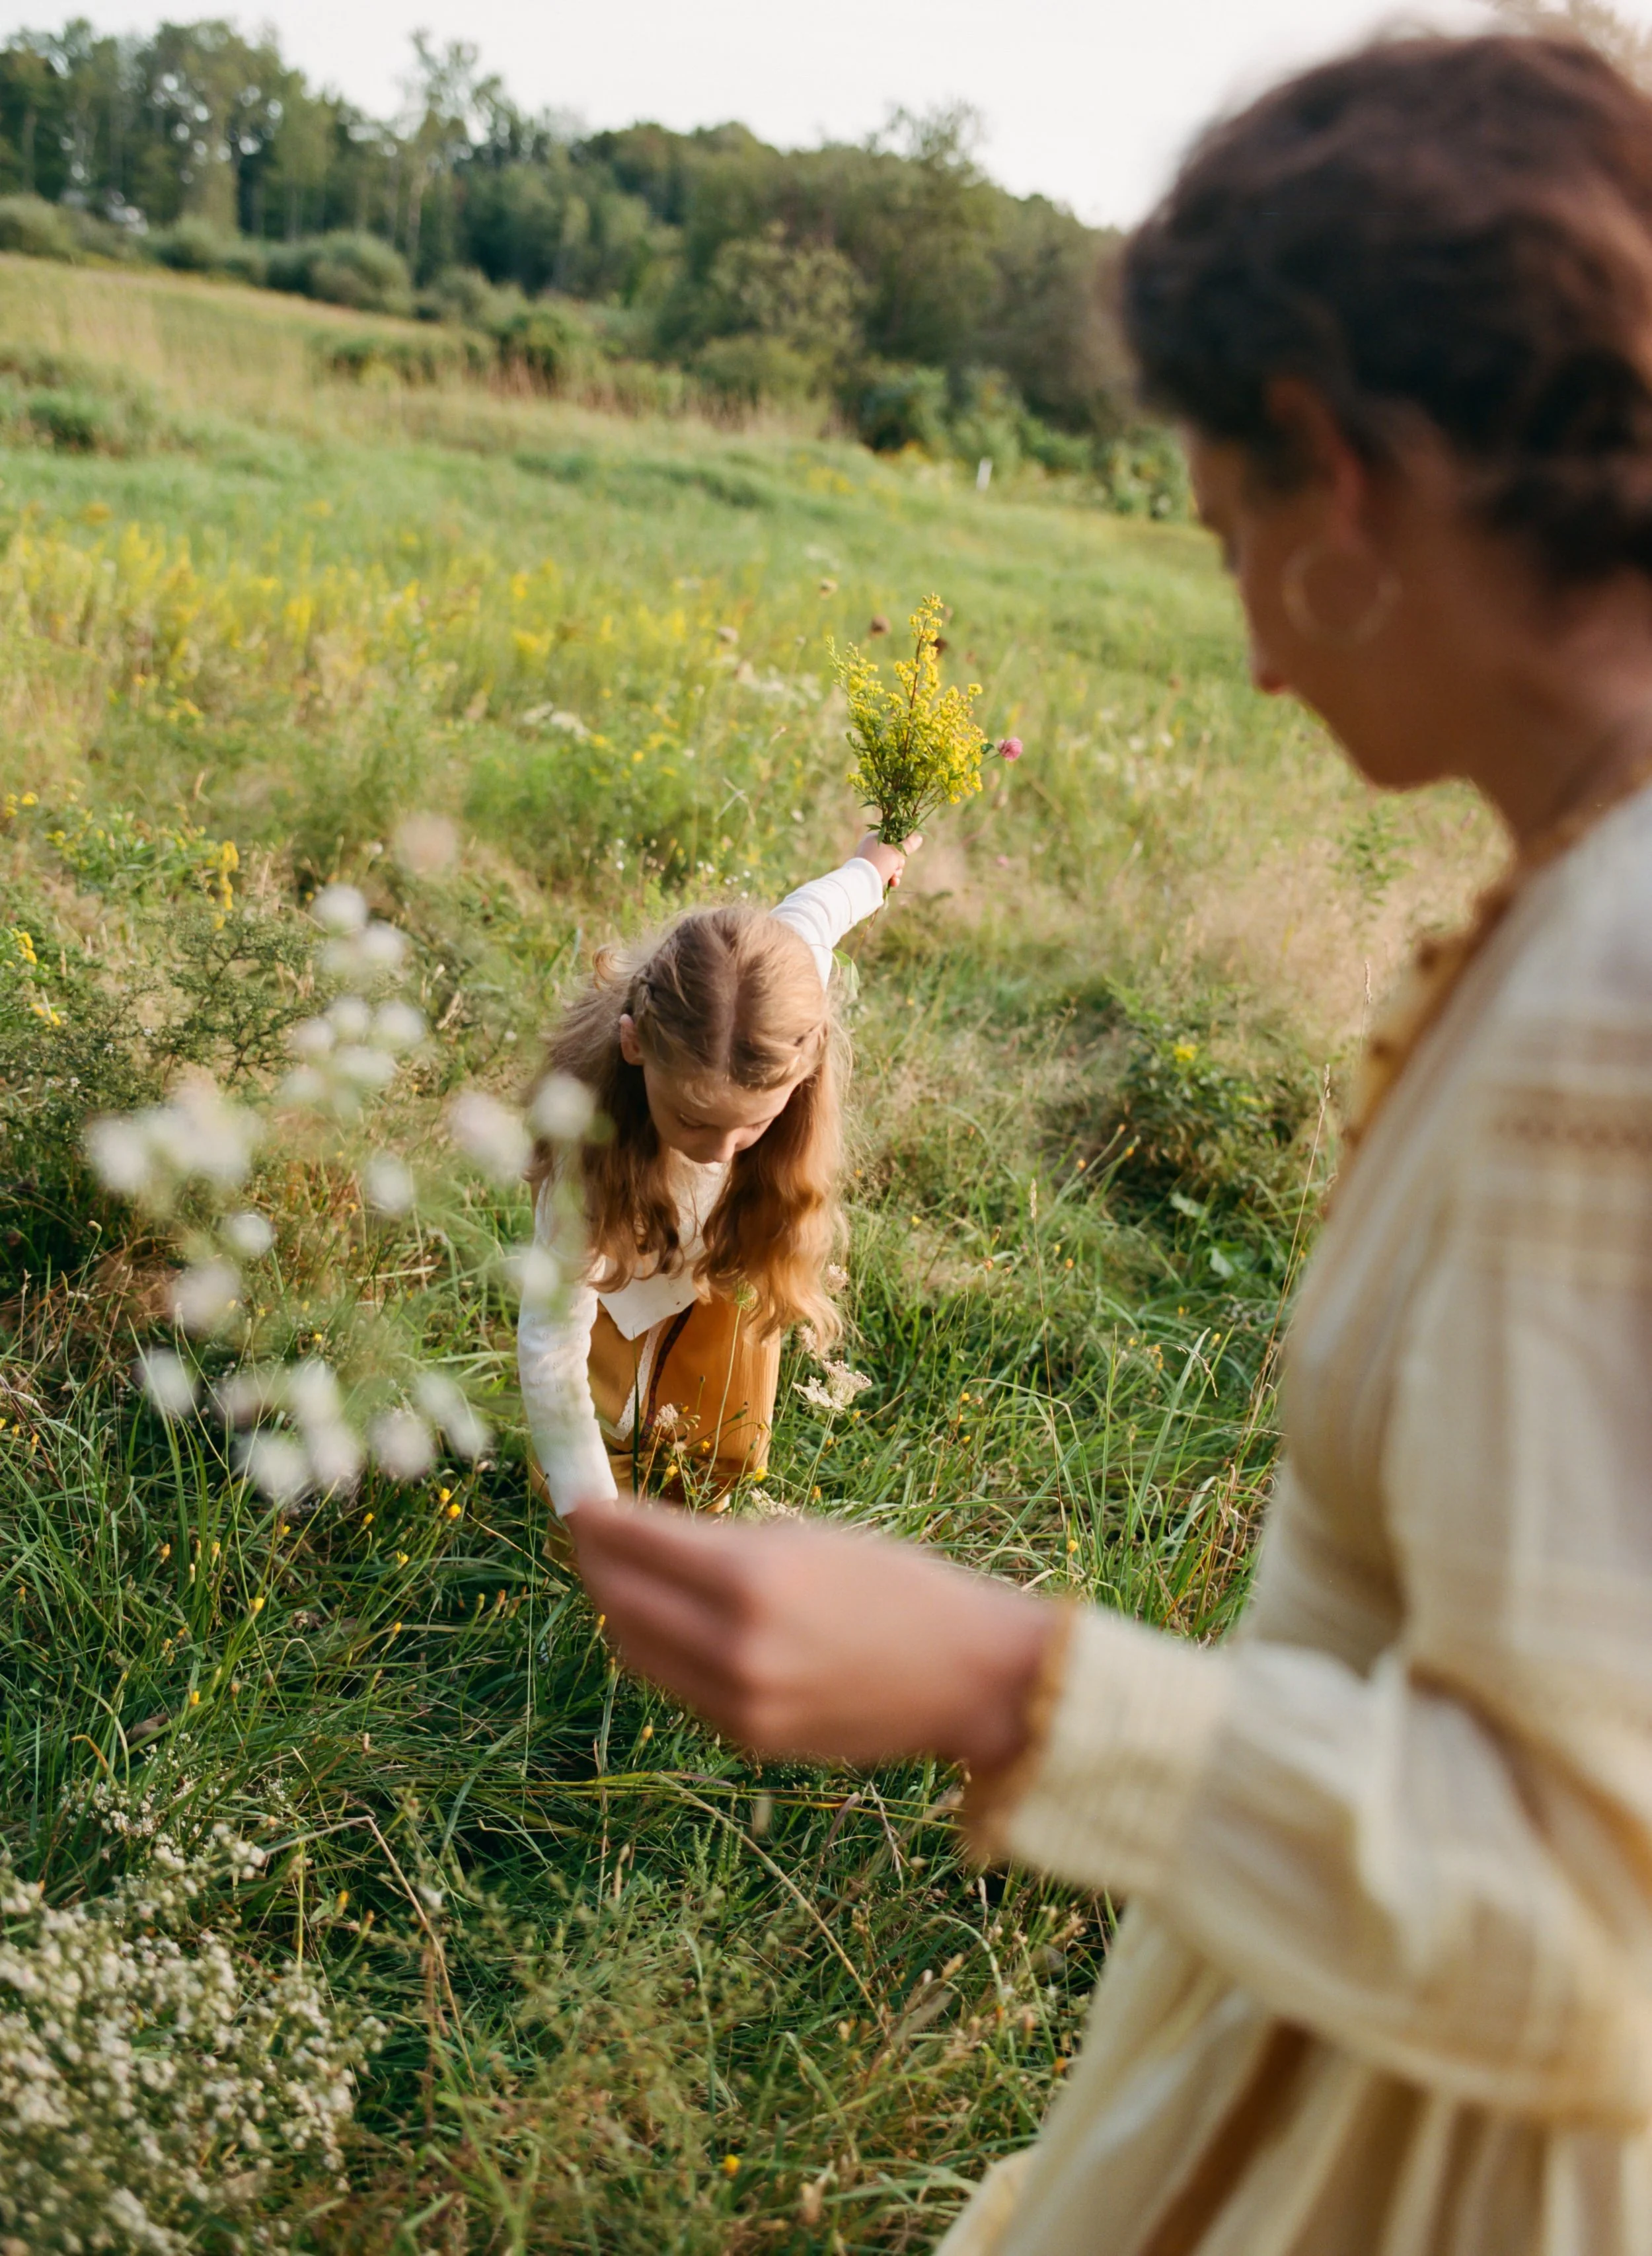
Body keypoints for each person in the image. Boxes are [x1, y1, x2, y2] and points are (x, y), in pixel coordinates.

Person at [569, 32, 1652, 2254]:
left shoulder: (1615, 1009)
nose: (1251, 650)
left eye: (1228, 530)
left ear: (1334, 475)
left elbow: (1599, 1922)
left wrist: (1011, 1679)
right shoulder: (1580, 897)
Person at [519, 835, 910, 1514]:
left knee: (722, 1410)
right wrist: (591, 1517)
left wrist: (871, 867)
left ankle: (703, 1508)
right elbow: (550, 1343)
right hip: (627, 1271)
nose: (722, 1153)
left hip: (725, 1251)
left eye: (752, 1126)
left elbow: (816, 910)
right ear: (635, 1044)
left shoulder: (785, 996)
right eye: (694, 1122)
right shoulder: (586, 1156)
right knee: (615, 1407)